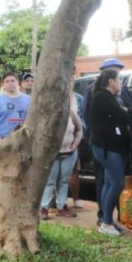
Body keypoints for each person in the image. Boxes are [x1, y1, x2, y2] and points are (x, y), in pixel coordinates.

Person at [82, 58, 132, 227]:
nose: (120, 79)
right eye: (116, 73)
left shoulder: (117, 93)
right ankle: (105, 219)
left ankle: (111, 218)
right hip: (104, 145)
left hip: (118, 144)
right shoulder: (98, 94)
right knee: (113, 182)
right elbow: (124, 115)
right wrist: (126, 113)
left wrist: (128, 113)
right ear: (109, 78)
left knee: (111, 182)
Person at [40, 82, 83, 220]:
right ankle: (44, 208)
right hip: (52, 155)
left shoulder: (71, 113)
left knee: (64, 181)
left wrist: (75, 143)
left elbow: (79, 130)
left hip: (69, 153)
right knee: (50, 182)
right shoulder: (46, 115)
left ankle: (62, 206)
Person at [0, 71, 31, 141]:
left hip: (23, 141)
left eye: (12, 80)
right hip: (4, 141)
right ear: (3, 84)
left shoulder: (28, 99)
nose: (10, 83)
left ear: (17, 82)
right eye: (7, 81)